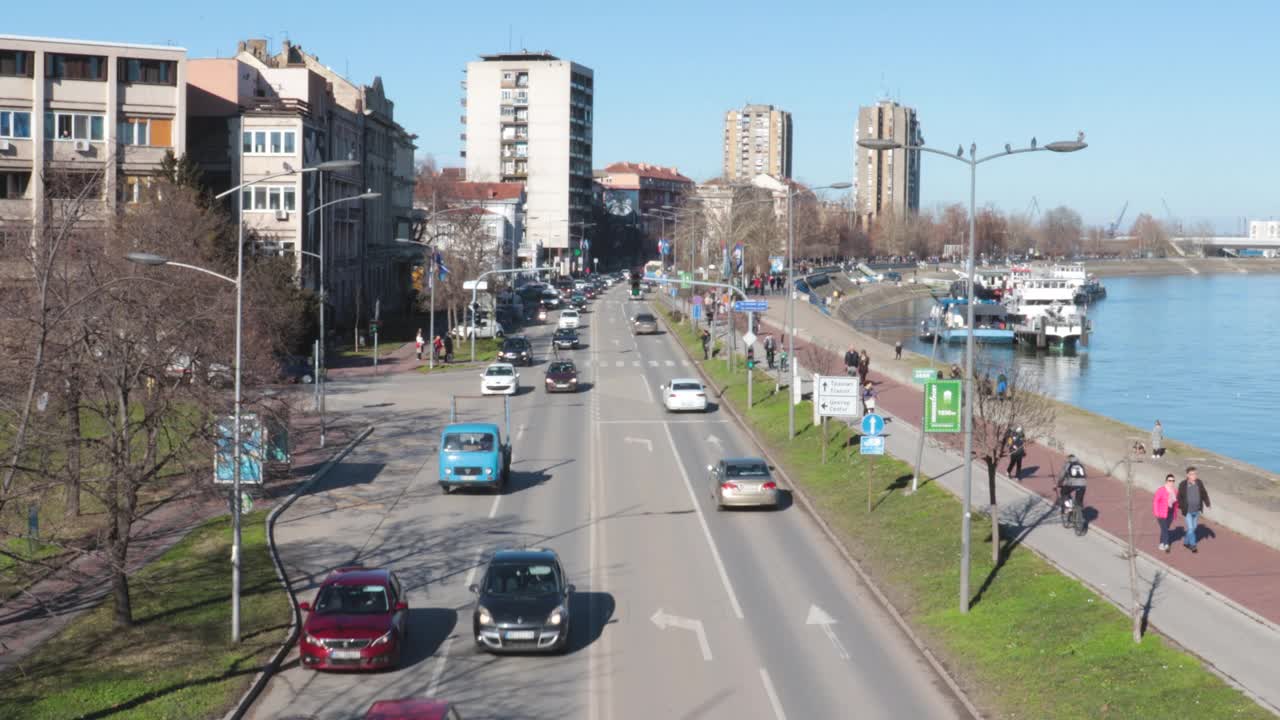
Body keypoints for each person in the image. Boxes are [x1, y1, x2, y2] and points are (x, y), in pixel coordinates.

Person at [1177, 467, 1211, 553]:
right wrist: (1181, 506)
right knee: (1191, 528)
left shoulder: (1199, 483)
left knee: (1193, 528)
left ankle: (1185, 541)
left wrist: (1207, 503)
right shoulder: (1183, 484)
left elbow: (1204, 493)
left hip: (1196, 510)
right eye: (1192, 474)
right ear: (1187, 475)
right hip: (1187, 511)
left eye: (1195, 474)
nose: (1194, 475)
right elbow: (1179, 497)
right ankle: (1193, 545)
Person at [1153, 474, 1179, 553]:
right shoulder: (1161, 490)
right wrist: (1156, 512)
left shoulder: (1175, 491)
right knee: (1164, 529)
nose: (1171, 482)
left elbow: (1176, 503)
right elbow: (1155, 501)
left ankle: (1161, 543)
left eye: (1173, 481)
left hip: (1170, 513)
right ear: (1166, 481)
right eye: (1169, 480)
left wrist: (1176, 512)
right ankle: (1167, 544)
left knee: (1165, 529)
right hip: (1161, 513)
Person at [1058, 453, 1088, 518]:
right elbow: (1085, 475)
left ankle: (1069, 507)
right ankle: (1079, 509)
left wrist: (1059, 483)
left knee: (1064, 492)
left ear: (1068, 459)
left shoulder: (1068, 464)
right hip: (1083, 484)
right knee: (1079, 500)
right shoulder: (1081, 465)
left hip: (1071, 484)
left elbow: (1062, 475)